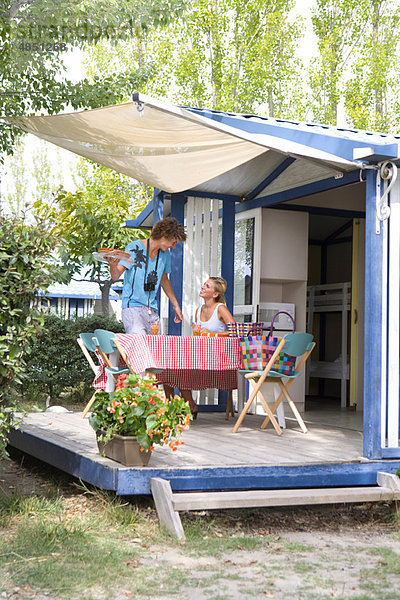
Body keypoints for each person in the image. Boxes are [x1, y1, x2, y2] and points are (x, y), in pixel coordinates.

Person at [106, 217, 186, 335]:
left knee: (155, 349)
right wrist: (112, 266)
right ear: (164, 235)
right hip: (132, 307)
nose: (173, 246)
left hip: (152, 309)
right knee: (140, 347)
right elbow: (116, 275)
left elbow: (164, 280)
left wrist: (176, 305)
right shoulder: (134, 248)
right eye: (173, 242)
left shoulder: (165, 254)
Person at [181, 276, 235, 418]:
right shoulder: (198, 310)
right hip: (200, 355)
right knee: (172, 368)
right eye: (204, 284)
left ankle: (189, 406)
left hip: (217, 357)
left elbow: (235, 331)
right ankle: (190, 405)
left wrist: (213, 335)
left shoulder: (220, 309)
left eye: (207, 286)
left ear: (215, 294)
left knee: (180, 370)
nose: (203, 287)